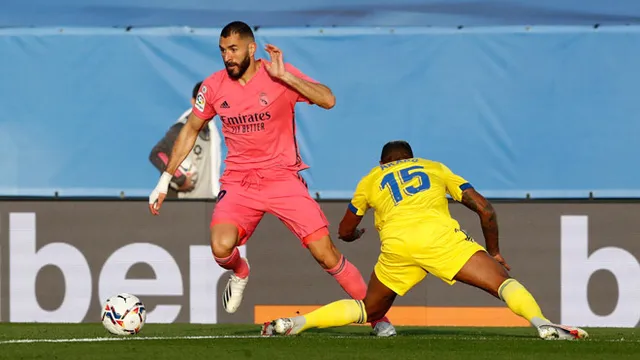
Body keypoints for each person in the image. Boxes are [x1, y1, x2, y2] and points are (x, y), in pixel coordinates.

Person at [148, 21, 395, 336]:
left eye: (234, 49)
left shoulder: (278, 74)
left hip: (283, 180)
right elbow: (191, 129)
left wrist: (286, 77)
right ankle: (240, 271)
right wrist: (164, 180)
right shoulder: (213, 86)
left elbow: (328, 99)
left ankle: (377, 318)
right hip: (239, 184)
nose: (228, 57)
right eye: (223, 50)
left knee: (326, 253)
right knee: (220, 246)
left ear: (251, 48)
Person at [263, 140, 589, 340]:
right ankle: (544, 324)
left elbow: (344, 230)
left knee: (370, 308)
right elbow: (486, 210)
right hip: (440, 240)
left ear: (383, 163)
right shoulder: (433, 168)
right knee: (501, 283)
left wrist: (354, 235)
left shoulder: (371, 179)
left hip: (398, 247)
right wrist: (495, 252)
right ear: (412, 158)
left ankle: (294, 323)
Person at [149, 81, 222, 199]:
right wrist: (180, 179)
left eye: (211, 103)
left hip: (207, 203)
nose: (207, 107)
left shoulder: (213, 132)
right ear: (193, 102)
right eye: (202, 102)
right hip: (185, 205)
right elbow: (158, 153)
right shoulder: (181, 129)